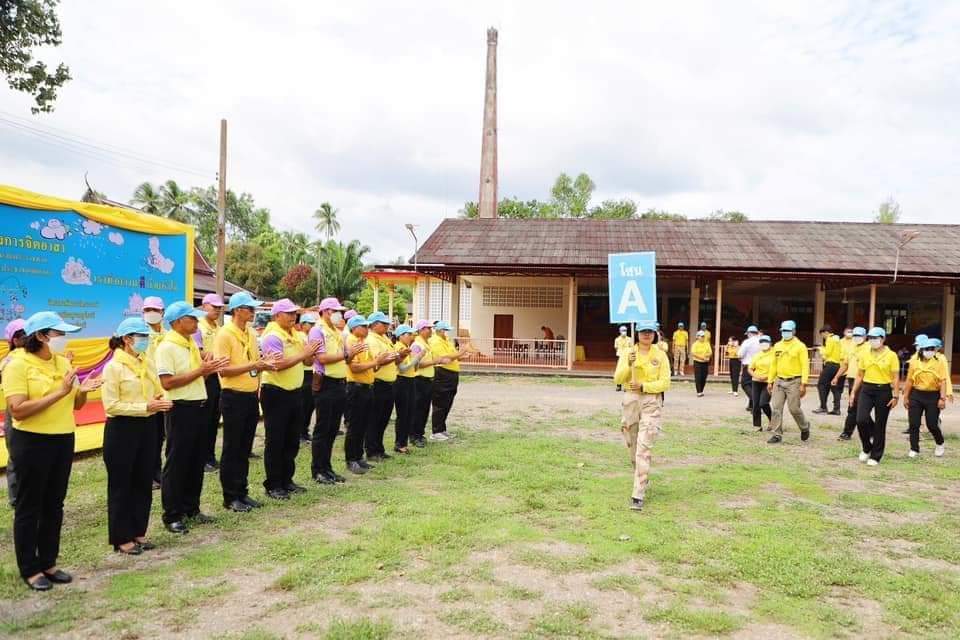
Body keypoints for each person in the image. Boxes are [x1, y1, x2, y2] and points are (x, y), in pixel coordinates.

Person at [4, 311, 102, 590]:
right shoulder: (18, 364)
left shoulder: (61, 362)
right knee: (29, 505)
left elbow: (76, 405)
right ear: (41, 336)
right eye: (58, 334)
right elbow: (17, 409)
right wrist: (60, 392)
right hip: (32, 441)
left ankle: (49, 561)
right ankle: (30, 568)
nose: (63, 339)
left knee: (54, 503)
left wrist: (84, 390)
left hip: (62, 438)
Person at [155, 301, 229, 534]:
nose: (197, 322)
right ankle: (172, 514)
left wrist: (205, 369)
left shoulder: (189, 344)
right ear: (177, 322)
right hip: (180, 408)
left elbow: (196, 375)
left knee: (196, 459)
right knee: (177, 461)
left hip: (199, 405)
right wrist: (201, 371)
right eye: (192, 319)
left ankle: (191, 507)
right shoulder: (167, 347)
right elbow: (167, 382)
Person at [101, 318, 172, 555]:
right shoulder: (114, 367)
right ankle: (122, 538)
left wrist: (160, 399)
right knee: (122, 483)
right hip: (122, 428)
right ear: (126, 340)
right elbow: (111, 406)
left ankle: (139, 531)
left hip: (148, 426)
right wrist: (145, 407)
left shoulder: (146, 362)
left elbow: (156, 389)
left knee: (143, 480)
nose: (144, 341)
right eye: (140, 337)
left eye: (145, 337)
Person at [215, 292, 277, 512]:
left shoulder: (250, 332)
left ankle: (242, 492)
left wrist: (261, 365)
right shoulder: (224, 334)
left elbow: (253, 361)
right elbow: (223, 370)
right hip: (233, 395)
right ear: (238, 310)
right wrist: (254, 367)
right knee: (232, 448)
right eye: (250, 309)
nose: (253, 313)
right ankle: (230, 496)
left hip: (251, 394)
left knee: (244, 447)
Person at [259, 299, 321, 499]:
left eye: (295, 313)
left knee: (292, 439)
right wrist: (304, 352)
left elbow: (307, 361)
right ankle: (274, 484)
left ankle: (287, 479)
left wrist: (311, 352)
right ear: (277, 315)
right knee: (276, 440)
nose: (293, 316)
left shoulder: (296, 334)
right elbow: (277, 365)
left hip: (294, 391)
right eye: (289, 313)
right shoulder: (271, 336)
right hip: (276, 391)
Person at [612, 320, 670, 512]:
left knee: (644, 446)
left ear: (655, 334)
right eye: (643, 331)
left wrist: (645, 386)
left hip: (651, 401)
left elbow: (665, 383)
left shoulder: (660, 355)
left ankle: (638, 492)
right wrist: (628, 365)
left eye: (650, 332)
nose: (647, 335)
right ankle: (639, 471)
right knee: (632, 443)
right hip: (631, 400)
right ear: (637, 333)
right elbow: (618, 379)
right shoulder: (628, 353)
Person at [310, 298, 361, 485]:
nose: (338, 314)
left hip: (340, 383)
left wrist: (351, 354)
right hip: (326, 384)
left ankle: (327, 467)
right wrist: (347, 354)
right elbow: (322, 358)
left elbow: (344, 358)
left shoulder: (337, 332)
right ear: (324, 311)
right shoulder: (318, 330)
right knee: (323, 429)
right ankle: (318, 469)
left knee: (332, 429)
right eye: (334, 310)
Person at [345, 315, 394, 474]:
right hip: (356, 387)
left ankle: (359, 457)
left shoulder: (363, 342)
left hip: (367, 386)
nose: (367, 329)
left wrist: (378, 361)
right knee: (354, 425)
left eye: (367, 326)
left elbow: (373, 367)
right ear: (354, 328)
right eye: (363, 326)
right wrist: (376, 362)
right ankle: (351, 459)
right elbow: (355, 368)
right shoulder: (351, 342)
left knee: (362, 425)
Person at [850, 327, 900, 465]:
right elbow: (860, 374)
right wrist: (853, 392)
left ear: (883, 339)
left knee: (880, 424)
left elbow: (895, 377)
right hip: (866, 389)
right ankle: (867, 447)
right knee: (861, 419)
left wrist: (896, 395)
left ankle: (876, 455)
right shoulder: (865, 354)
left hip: (883, 391)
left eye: (876, 338)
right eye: (870, 338)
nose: (873, 341)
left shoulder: (891, 355)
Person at [766, 320, 811, 444]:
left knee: (794, 408)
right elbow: (773, 364)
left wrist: (804, 383)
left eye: (787, 331)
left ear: (794, 331)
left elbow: (805, 366)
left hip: (794, 381)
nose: (785, 333)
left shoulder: (800, 346)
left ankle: (804, 426)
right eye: (783, 331)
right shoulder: (777, 346)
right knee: (776, 408)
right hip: (779, 381)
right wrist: (770, 381)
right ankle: (777, 434)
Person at [365, 311, 403, 460]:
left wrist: (399, 355)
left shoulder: (384, 338)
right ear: (374, 325)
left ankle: (379, 448)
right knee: (375, 418)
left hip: (389, 383)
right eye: (384, 323)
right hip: (378, 383)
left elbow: (391, 357)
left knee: (384, 418)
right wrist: (394, 356)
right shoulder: (371, 339)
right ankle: (371, 450)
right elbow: (378, 360)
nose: (387, 326)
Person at [902, 337, 947, 458]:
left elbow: (943, 381)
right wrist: (906, 396)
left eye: (932, 349)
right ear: (921, 350)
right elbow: (910, 380)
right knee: (914, 423)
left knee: (932, 424)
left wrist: (942, 398)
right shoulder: (914, 361)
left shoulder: (939, 361)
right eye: (927, 349)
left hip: (933, 395)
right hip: (916, 395)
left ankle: (940, 442)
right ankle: (914, 448)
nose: (930, 351)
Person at [195, 293, 225, 473]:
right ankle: (202, 458)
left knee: (214, 418)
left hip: (218, 376)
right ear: (204, 306)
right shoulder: (198, 327)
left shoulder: (219, 327)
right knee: (204, 420)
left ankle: (211, 456)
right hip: (205, 377)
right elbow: (199, 354)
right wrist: (215, 355)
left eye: (220, 307)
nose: (217, 310)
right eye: (214, 307)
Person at [429, 320, 471, 441]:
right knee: (440, 402)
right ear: (441, 330)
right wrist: (460, 353)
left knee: (447, 402)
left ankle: (442, 429)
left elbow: (451, 356)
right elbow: (444, 357)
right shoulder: (435, 341)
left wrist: (461, 356)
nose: (447, 333)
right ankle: (436, 431)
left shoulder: (446, 341)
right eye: (446, 330)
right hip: (442, 374)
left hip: (451, 374)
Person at [2, 318, 27, 508]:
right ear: (14, 340)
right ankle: (16, 499)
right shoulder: (9, 361)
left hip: (37, 411)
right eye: (22, 335)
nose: (27, 338)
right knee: (16, 457)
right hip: (15, 411)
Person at [142, 296, 166, 488]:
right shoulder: (139, 335)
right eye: (147, 309)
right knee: (146, 437)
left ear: (162, 313)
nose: (151, 313)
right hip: (146, 394)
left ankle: (157, 471)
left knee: (159, 435)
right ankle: (146, 474)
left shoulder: (168, 334)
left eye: (155, 310)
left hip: (165, 391)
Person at [833, 327, 870, 441]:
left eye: (859, 336)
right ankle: (871, 430)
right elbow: (845, 364)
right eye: (855, 336)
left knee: (854, 407)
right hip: (852, 379)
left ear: (865, 337)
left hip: (864, 380)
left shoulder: (869, 348)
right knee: (857, 407)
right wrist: (837, 376)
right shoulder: (851, 348)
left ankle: (847, 432)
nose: (857, 338)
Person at [410, 320, 438, 448]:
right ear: (421, 330)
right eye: (428, 328)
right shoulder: (417, 345)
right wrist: (434, 362)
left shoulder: (426, 343)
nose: (431, 330)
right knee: (418, 409)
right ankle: (414, 435)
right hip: (419, 380)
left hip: (427, 380)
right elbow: (416, 364)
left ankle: (420, 434)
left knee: (425, 409)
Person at [392, 324, 418, 454]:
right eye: (408, 334)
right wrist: (417, 359)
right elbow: (402, 369)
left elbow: (412, 367)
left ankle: (404, 442)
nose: (411, 337)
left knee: (410, 412)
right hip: (401, 381)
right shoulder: (398, 348)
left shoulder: (407, 348)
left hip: (410, 380)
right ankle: (400, 443)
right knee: (403, 413)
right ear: (400, 336)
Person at [297, 313, 318, 445]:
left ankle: (304, 431)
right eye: (310, 324)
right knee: (304, 405)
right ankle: (300, 433)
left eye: (313, 324)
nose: (312, 326)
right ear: (302, 325)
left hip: (312, 372)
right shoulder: (300, 337)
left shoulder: (312, 336)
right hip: (303, 373)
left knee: (310, 404)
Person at [813, 325, 843, 415]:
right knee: (834, 387)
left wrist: (820, 349)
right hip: (838, 365)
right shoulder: (838, 339)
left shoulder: (829, 339)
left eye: (822, 335)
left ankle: (823, 407)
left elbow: (827, 353)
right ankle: (836, 409)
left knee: (821, 385)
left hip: (830, 364)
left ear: (826, 332)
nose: (823, 337)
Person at [747, 335, 774, 430]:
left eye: (766, 342)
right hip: (756, 381)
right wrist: (756, 376)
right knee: (755, 404)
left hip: (769, 382)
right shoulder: (757, 355)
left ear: (770, 343)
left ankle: (772, 420)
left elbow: (776, 369)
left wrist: (766, 377)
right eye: (761, 342)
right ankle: (757, 425)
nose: (764, 344)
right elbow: (750, 369)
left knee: (763, 403)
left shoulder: (774, 355)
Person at [738, 326, 762, 412]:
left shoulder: (747, 342)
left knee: (745, 384)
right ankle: (751, 405)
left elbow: (740, 354)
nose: (747, 335)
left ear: (750, 333)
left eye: (747, 334)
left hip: (748, 365)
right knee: (753, 385)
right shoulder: (761, 341)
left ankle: (756, 403)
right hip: (759, 366)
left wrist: (740, 358)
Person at [689, 330, 712, 397]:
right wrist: (702, 357)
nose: (702, 337)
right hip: (697, 362)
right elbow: (693, 353)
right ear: (697, 337)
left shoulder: (707, 343)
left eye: (703, 336)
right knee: (698, 376)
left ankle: (701, 390)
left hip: (705, 362)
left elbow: (710, 352)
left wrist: (706, 356)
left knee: (704, 376)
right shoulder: (695, 344)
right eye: (701, 336)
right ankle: (698, 391)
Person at [614, 326, 632, 391]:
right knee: (619, 371)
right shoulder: (617, 339)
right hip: (620, 356)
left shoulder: (630, 339)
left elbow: (631, 347)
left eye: (625, 330)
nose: (624, 332)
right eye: (622, 330)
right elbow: (616, 347)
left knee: (627, 371)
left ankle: (626, 386)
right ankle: (618, 385)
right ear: (619, 331)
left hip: (627, 357)